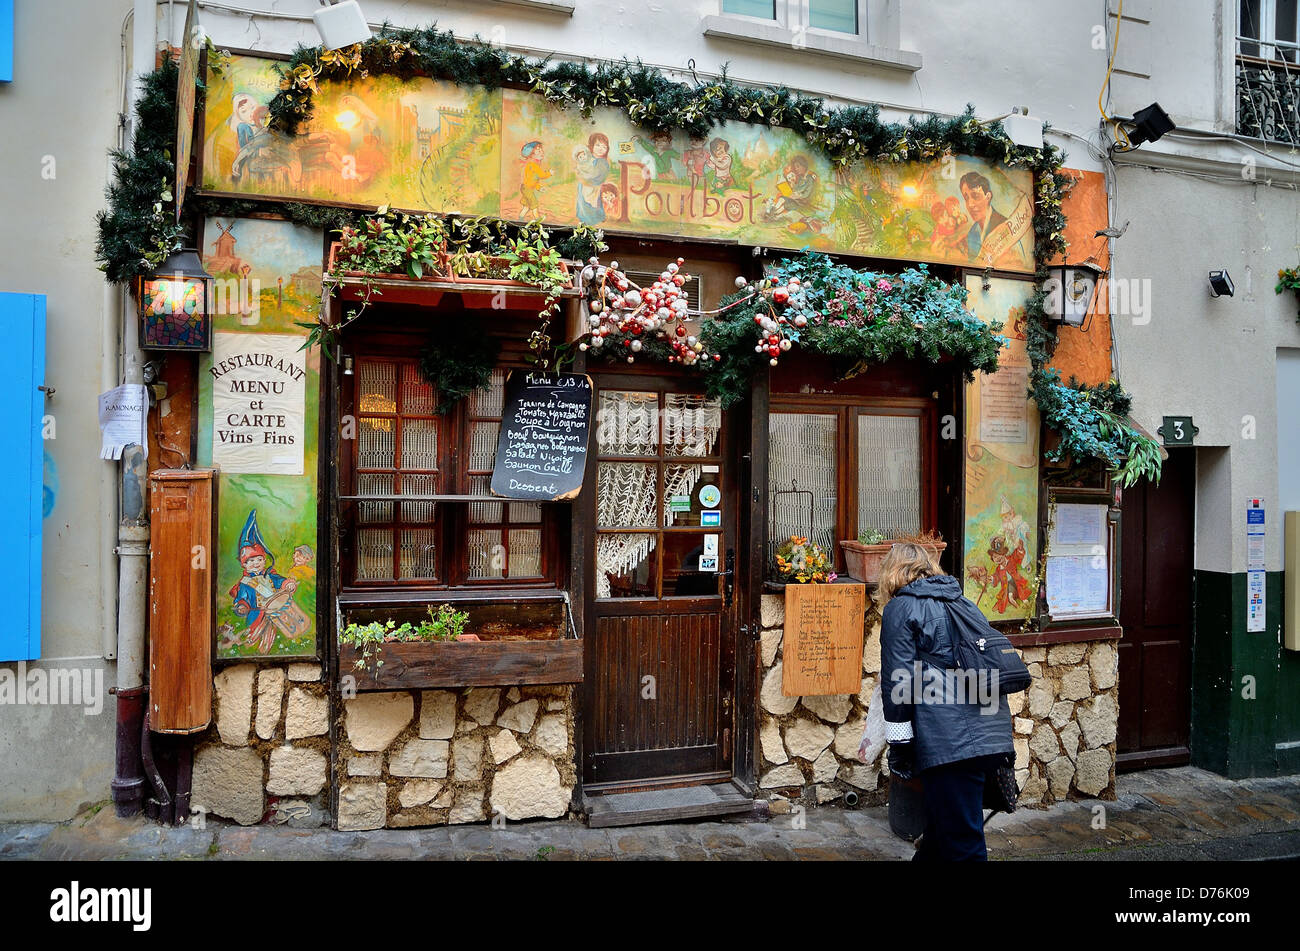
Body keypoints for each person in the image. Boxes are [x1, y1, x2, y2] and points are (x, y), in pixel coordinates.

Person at [875, 542, 1014, 861]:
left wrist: (900, 747)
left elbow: (899, 683)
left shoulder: (901, 608)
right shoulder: (962, 602)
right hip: (986, 729)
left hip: (949, 740)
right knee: (942, 830)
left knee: (965, 843)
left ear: (891, 573)